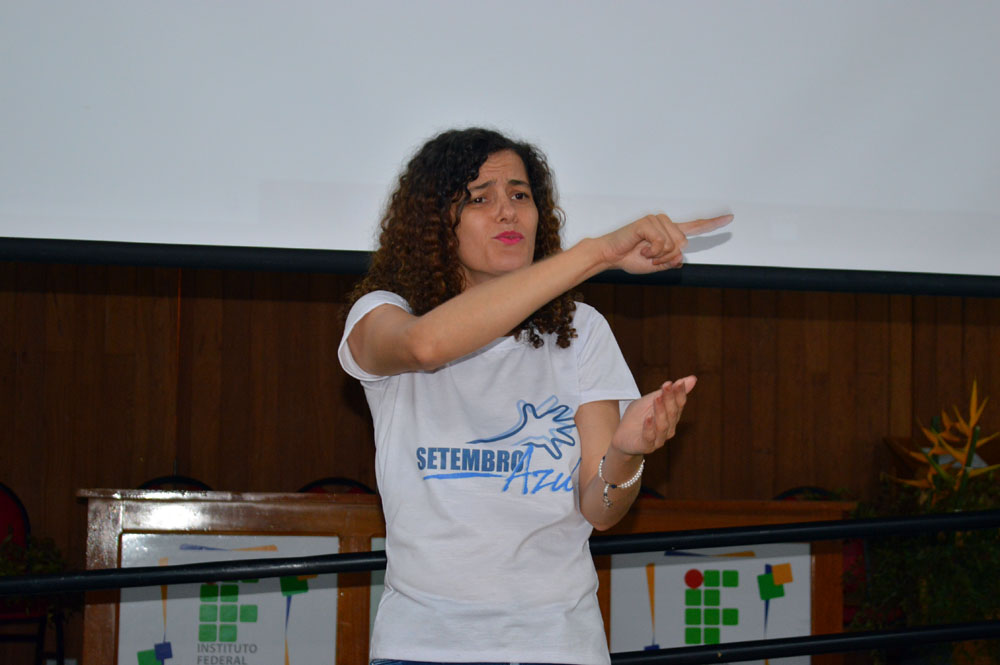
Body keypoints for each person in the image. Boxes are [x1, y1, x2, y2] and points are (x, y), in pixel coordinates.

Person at [338, 128, 732, 665]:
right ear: (434, 224)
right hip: (424, 645)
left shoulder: (581, 330)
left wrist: (626, 452)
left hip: (559, 644)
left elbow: (602, 511)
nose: (508, 212)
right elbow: (427, 346)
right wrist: (598, 253)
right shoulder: (383, 314)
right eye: (480, 198)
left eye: (520, 195)